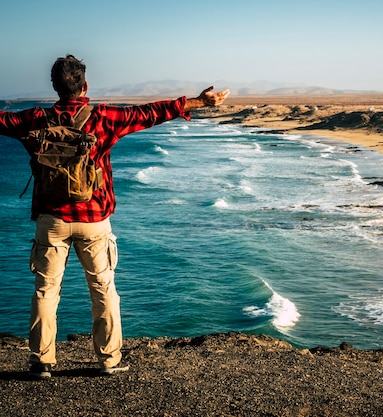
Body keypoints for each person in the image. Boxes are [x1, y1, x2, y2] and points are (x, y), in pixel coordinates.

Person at [0, 54, 230, 379]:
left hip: (51, 220)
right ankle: (108, 360)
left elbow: (1, 120)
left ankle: (42, 362)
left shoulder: (36, 118)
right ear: (85, 84)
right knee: (103, 289)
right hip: (94, 219)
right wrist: (199, 101)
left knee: (45, 290)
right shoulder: (102, 116)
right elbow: (148, 113)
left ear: (54, 86)